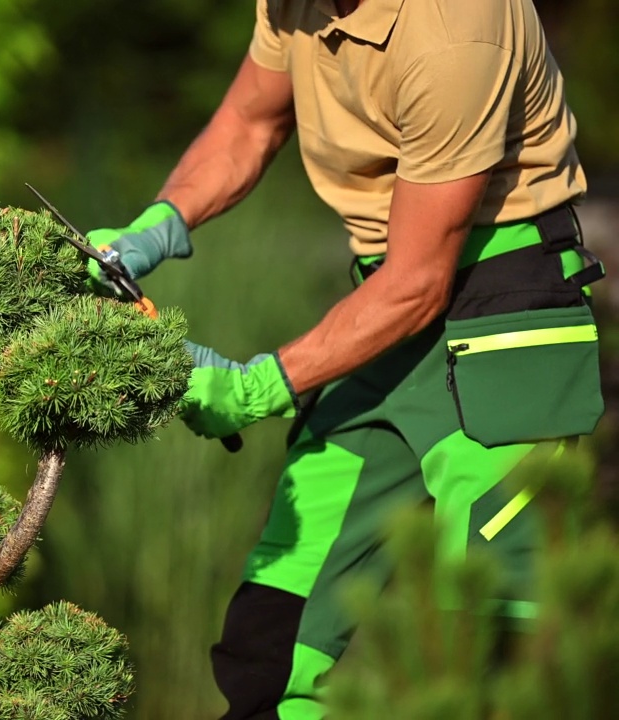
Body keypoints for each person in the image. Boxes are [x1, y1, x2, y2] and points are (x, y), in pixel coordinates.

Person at [85, 0, 605, 717]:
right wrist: (159, 224)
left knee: (492, 653)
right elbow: (249, 121)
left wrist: (256, 386)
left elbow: (419, 283)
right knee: (271, 638)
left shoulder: (458, 27)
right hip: (381, 310)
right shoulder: (295, 3)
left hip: (503, 319)